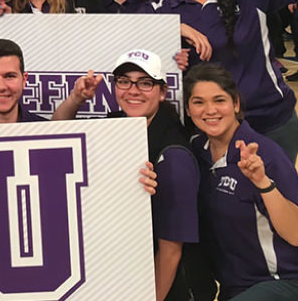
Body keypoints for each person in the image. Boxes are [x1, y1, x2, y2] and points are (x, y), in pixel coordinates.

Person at [54, 50, 204, 301]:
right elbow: (57, 132)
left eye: (145, 83)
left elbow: (171, 251)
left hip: (168, 286)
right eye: (124, 81)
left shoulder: (173, 155)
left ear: (163, 91)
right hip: (124, 270)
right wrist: (76, 99)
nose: (133, 90)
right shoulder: (118, 124)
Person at [160, 0, 298, 162]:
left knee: (279, 198)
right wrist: (171, 29)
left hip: (270, 125)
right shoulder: (164, 12)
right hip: (208, 133)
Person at [185, 63, 298, 300]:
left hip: (282, 282)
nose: (210, 110)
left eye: (219, 100)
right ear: (188, 108)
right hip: (234, 287)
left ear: (235, 104)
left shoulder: (265, 155)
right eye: (199, 102)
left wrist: (262, 182)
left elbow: (297, 235)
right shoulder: (196, 151)